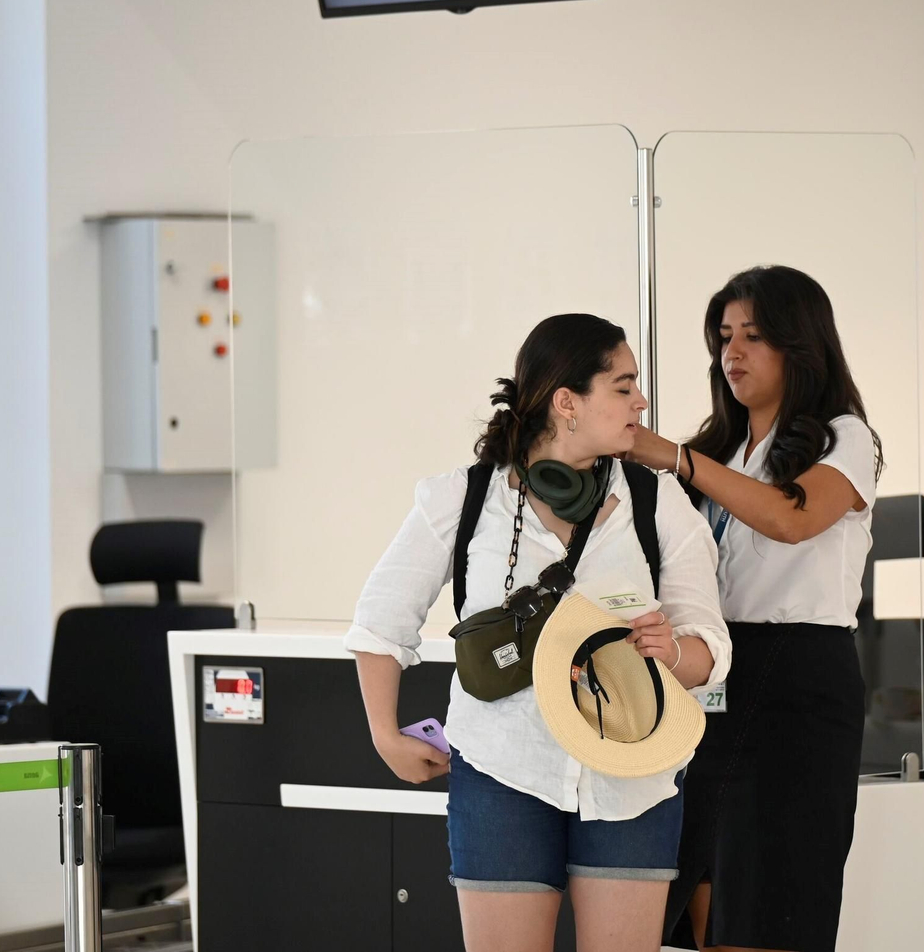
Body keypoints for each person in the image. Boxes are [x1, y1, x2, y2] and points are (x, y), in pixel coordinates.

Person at [347, 313, 731, 952]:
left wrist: (674, 654)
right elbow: (380, 620)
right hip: (503, 772)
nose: (642, 400)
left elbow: (710, 647)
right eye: (623, 384)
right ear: (567, 402)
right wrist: (384, 734)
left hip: (633, 778)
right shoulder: (465, 499)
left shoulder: (657, 501)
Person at [631, 266, 884, 952]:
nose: (732, 353)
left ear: (800, 345)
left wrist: (679, 458)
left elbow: (790, 518)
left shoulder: (844, 436)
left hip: (800, 682)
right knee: (698, 896)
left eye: (753, 336)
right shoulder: (719, 447)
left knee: (771, 903)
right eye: (723, 337)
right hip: (712, 674)